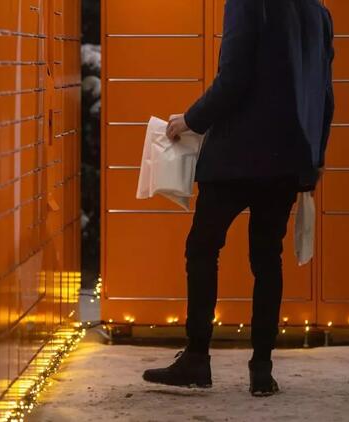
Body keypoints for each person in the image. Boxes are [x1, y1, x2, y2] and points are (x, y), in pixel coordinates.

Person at [142, 0, 335, 396]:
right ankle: (262, 369)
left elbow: (233, 78)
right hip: (289, 156)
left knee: (202, 248)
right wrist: (316, 157)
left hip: (237, 155)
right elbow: (324, 93)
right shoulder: (317, 12)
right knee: (267, 258)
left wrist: (189, 120)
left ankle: (197, 358)